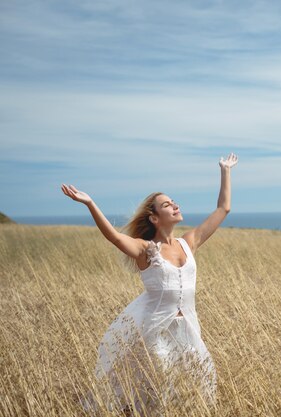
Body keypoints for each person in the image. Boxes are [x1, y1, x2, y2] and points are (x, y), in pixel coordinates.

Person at [61, 152, 238, 415]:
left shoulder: (188, 242)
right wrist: (90, 203)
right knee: (161, 384)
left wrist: (225, 170)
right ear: (154, 218)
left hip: (188, 328)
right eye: (167, 204)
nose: (174, 206)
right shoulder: (147, 250)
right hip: (155, 330)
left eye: (173, 202)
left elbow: (224, 208)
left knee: (202, 377)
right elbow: (114, 236)